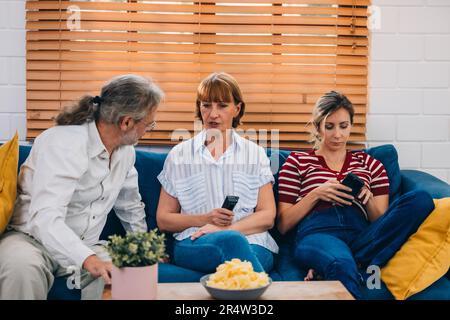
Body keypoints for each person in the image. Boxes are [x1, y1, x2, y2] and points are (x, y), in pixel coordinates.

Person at [0, 74, 163, 299]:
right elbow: (45, 217)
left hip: (88, 245)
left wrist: (145, 248)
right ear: (126, 122)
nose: (149, 130)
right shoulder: (65, 143)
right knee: (21, 268)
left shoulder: (126, 153)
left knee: (129, 272)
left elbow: (130, 206)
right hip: (32, 241)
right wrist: (88, 259)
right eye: (149, 124)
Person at [277, 91, 435, 299]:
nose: (337, 135)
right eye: (329, 126)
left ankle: (345, 261)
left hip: (362, 233)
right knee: (341, 264)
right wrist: (316, 194)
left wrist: (367, 198)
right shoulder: (297, 162)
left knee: (421, 199)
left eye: (343, 126)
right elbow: (283, 225)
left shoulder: (370, 164)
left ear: (351, 125)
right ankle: (356, 261)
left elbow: (381, 222)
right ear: (317, 127)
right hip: (319, 232)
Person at [156, 72, 278, 274]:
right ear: (199, 108)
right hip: (196, 242)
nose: (213, 114)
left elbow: (267, 216)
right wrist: (206, 219)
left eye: (222, 105)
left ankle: (231, 282)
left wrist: (226, 229)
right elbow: (164, 219)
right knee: (233, 249)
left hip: (253, 242)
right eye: (206, 105)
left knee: (234, 243)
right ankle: (260, 294)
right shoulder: (179, 155)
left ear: (237, 109)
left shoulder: (255, 154)